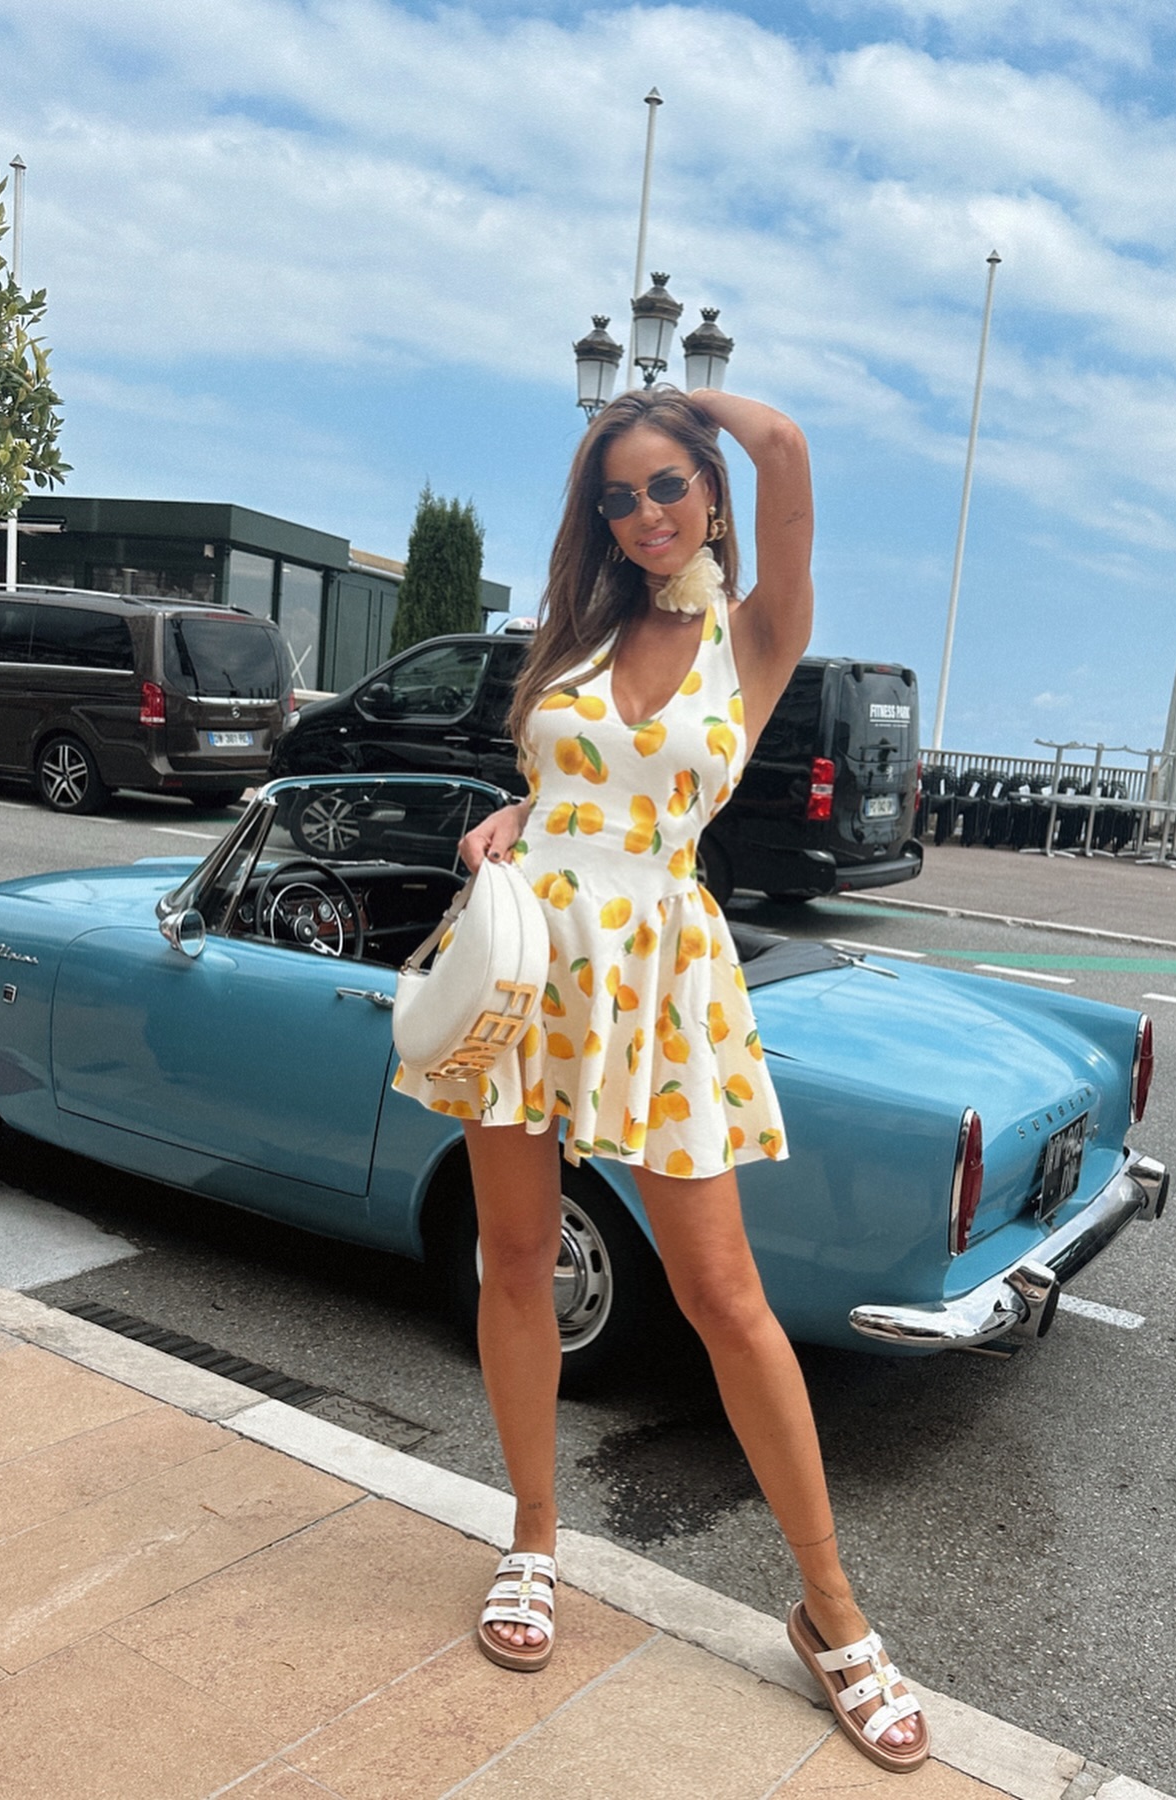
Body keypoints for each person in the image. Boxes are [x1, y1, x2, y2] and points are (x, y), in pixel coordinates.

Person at [404, 385, 928, 1774]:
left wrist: (676, 398)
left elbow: (789, 449)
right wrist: (508, 823)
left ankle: (831, 1609)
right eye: (618, 496)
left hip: (659, 978)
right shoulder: (577, 634)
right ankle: (533, 1538)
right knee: (518, 1255)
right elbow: (567, 783)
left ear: (709, 490)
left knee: (724, 1298)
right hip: (529, 965)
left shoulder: (756, 635)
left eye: (666, 485)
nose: (643, 515)